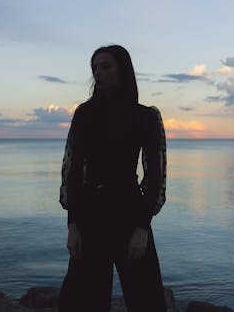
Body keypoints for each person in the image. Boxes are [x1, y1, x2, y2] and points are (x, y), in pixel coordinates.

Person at [57, 44, 167, 312]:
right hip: (90, 214)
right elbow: (72, 171)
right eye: (94, 68)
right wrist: (73, 225)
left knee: (146, 299)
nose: (98, 73)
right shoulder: (84, 114)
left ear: (123, 70)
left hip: (129, 212)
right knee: (82, 300)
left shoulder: (145, 117)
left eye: (105, 66)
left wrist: (142, 228)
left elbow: (155, 176)